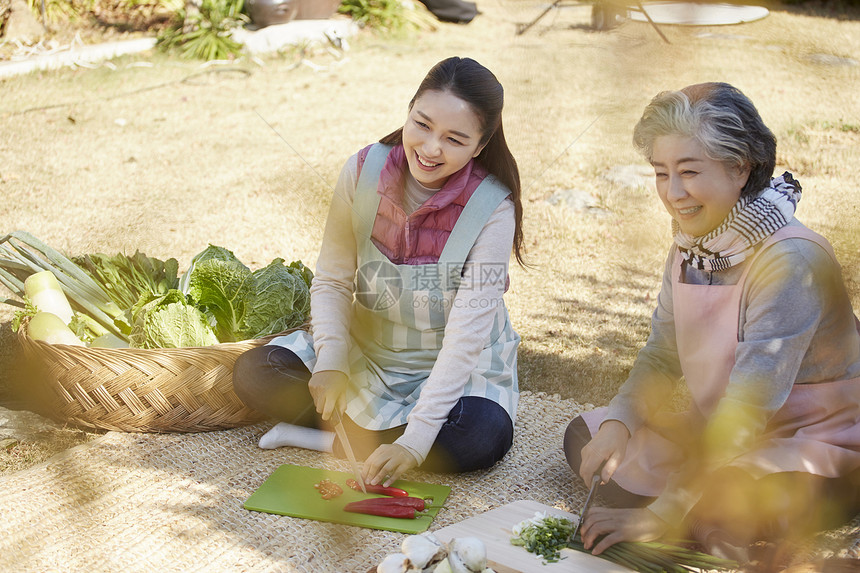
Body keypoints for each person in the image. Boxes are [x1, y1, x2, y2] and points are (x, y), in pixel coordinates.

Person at [564, 82, 860, 563]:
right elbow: (662, 354)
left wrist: (667, 511)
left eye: (689, 172)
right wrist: (619, 424)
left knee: (724, 507)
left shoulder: (792, 260)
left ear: (740, 168)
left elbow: (749, 403)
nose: (673, 193)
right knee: (587, 436)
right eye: (661, 173)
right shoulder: (692, 242)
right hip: (719, 430)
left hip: (818, 441)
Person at [233, 56, 524, 487]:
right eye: (422, 124)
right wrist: (332, 362)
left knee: (481, 436)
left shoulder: (494, 209)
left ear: (480, 146)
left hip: (454, 367)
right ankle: (380, 440)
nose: (430, 149)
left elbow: (467, 336)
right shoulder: (361, 170)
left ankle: (339, 441)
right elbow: (332, 278)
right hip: (365, 354)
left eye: (454, 139)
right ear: (408, 110)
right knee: (255, 373)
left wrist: (417, 440)